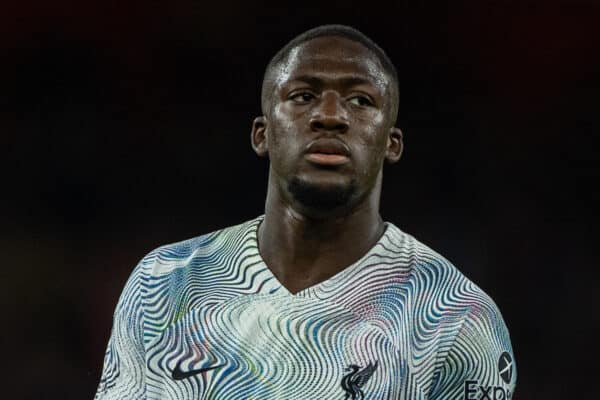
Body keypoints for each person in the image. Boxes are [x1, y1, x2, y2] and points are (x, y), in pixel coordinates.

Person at [95, 25, 516, 400]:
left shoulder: (455, 317)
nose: (330, 116)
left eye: (360, 100)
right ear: (263, 134)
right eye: (303, 96)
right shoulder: (165, 282)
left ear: (392, 143)